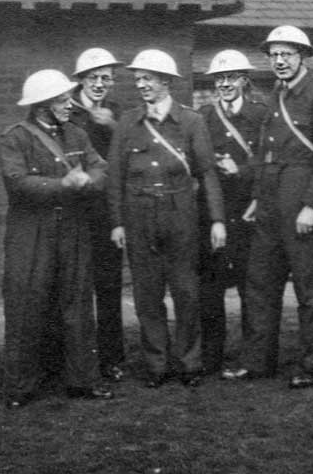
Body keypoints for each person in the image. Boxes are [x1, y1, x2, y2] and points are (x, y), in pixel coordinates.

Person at [222, 25, 313, 388]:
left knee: (309, 287)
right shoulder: (276, 94)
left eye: (286, 54)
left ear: (302, 56)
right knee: (260, 283)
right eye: (274, 55)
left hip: (302, 198)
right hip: (271, 203)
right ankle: (258, 362)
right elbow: (266, 153)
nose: (279, 61)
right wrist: (259, 196)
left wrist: (312, 205)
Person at [108, 49, 226, 388]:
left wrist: (217, 219)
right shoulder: (129, 123)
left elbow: (207, 173)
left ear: (166, 82)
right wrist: (117, 222)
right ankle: (156, 364)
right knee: (147, 294)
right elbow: (115, 177)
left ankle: (190, 362)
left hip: (181, 217)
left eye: (148, 79)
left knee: (186, 292)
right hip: (139, 216)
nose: (142, 85)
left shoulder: (191, 122)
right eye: (138, 79)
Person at [0, 69, 114, 406]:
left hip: (73, 230)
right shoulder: (15, 138)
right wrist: (62, 185)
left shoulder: (77, 135)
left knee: (78, 303)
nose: (69, 105)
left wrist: (89, 182)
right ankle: (21, 386)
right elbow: (17, 182)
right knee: (26, 307)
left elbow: (101, 168)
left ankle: (83, 380)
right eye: (62, 100)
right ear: (41, 105)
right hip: (31, 233)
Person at [197, 49, 266, 374]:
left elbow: (270, 160)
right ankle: (211, 357)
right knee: (210, 288)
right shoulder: (204, 118)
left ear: (244, 80)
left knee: (251, 288)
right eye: (219, 79)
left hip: (249, 212)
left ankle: (253, 359)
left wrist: (240, 169)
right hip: (213, 215)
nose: (224, 84)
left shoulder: (261, 114)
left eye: (231, 78)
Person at [69, 48, 126, 382]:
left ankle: (111, 358)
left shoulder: (116, 112)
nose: (100, 84)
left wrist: (114, 126)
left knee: (109, 286)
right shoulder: (66, 108)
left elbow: (130, 148)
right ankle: (75, 356)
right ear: (80, 80)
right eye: (94, 77)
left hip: (106, 212)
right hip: (75, 210)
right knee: (74, 288)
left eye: (106, 78)